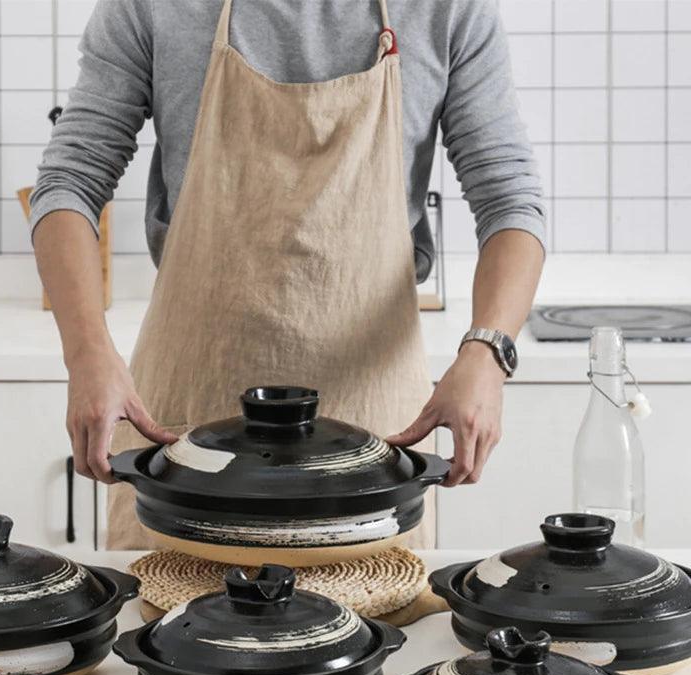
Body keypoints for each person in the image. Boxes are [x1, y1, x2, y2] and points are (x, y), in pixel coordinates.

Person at [31, 0, 545, 549]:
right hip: (188, 431)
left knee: (379, 618)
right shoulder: (151, 7)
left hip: (374, 436)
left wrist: (487, 354)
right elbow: (70, 184)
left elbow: (510, 201)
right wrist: (86, 355)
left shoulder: (448, 10)